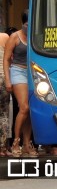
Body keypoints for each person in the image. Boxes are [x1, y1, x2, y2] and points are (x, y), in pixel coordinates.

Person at [3, 10, 37, 157]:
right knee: (24, 107)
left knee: (30, 110)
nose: (28, 27)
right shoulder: (14, 37)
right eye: (26, 24)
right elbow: (6, 59)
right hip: (18, 71)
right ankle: (16, 142)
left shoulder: (35, 36)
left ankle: (27, 144)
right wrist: (8, 79)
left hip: (33, 73)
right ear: (23, 23)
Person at [0, 27, 9, 157]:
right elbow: (9, 58)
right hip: (2, 78)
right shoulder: (4, 37)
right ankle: (2, 148)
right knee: (3, 113)